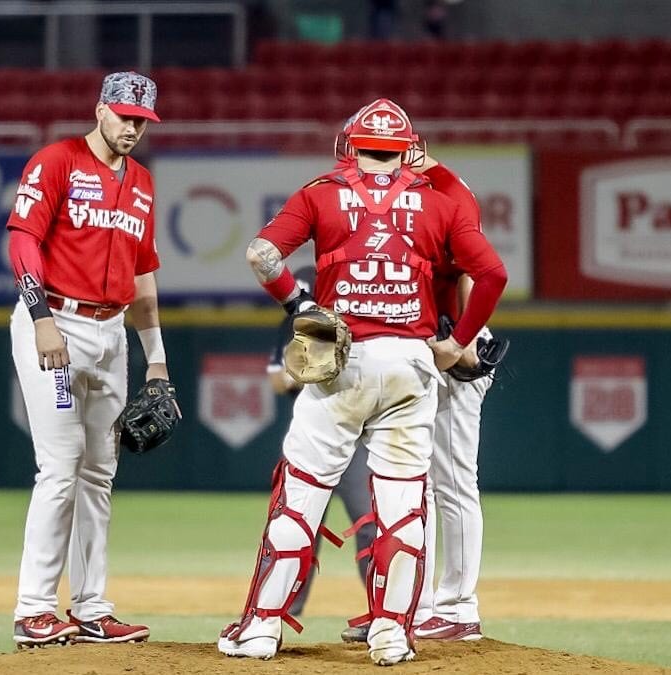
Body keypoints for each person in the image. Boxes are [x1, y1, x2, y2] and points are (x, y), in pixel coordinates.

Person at [217, 98, 507, 666]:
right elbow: (493, 273)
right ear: (407, 151)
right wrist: (457, 340)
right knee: (404, 500)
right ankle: (393, 633)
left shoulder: (321, 191)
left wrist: (299, 303)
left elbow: (261, 254)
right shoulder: (438, 202)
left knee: (301, 493)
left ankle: (261, 630)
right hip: (412, 361)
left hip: (342, 360)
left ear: (350, 144)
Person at [7, 71, 171, 648]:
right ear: (100, 109)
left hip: (112, 332)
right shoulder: (56, 161)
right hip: (56, 322)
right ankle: (33, 609)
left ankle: (91, 607)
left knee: (100, 472)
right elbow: (22, 239)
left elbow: (145, 275)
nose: (132, 129)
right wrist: (41, 319)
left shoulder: (144, 183)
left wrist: (156, 359)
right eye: (124, 116)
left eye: (141, 122)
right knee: (61, 464)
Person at [341, 157, 500, 644]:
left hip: (450, 343)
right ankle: (413, 605)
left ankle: (456, 607)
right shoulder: (382, 193)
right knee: (410, 484)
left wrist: (464, 342)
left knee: (451, 483)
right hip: (413, 346)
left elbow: (479, 267)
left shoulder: (446, 188)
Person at [266, 266, 374, 619]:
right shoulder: (300, 310)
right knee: (297, 524)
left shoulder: (365, 296)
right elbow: (277, 382)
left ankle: (382, 613)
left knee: (370, 523)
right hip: (314, 433)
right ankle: (276, 614)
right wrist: (311, 363)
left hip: (359, 434)